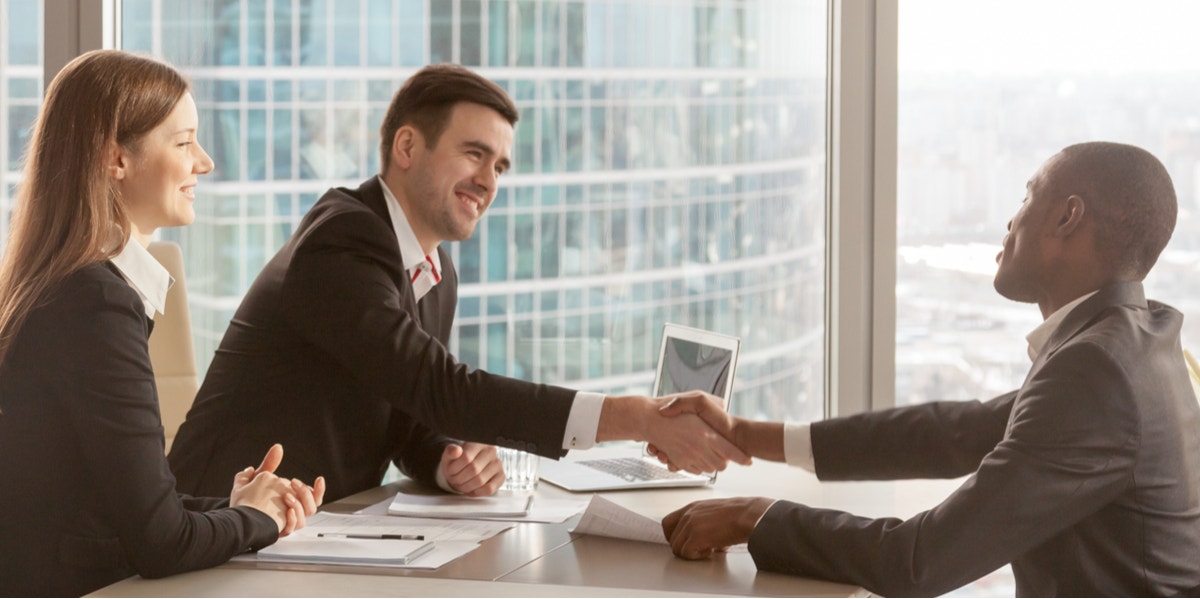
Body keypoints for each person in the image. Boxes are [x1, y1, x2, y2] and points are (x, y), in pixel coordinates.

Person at [167, 63, 748, 503]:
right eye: (474, 154)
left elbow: (410, 408)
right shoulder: (342, 241)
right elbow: (442, 387)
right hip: (220, 521)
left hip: (314, 529)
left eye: (499, 166)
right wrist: (636, 418)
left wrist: (447, 459)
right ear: (407, 147)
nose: (488, 180)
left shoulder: (433, 271)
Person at [658, 142, 1200, 596]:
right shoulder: (1127, 345)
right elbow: (952, 432)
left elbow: (918, 561)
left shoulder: (1096, 370)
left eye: (1028, 196)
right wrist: (746, 435)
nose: (1012, 219)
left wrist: (757, 516)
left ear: (1067, 216)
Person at [0, 50, 326, 597]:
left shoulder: (69, 286)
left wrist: (235, 506)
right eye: (184, 142)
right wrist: (259, 519)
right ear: (115, 160)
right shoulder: (94, 304)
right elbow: (160, 542)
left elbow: (112, 509)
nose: (204, 161)